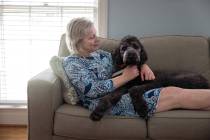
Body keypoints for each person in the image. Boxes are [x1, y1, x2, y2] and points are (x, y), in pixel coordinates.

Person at [63, 17, 210, 118]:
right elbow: (92, 91)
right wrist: (125, 77)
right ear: (77, 41)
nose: (97, 39)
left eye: (96, 35)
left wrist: (143, 65)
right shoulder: (72, 63)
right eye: (91, 37)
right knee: (174, 93)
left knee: (179, 94)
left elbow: (123, 60)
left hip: (121, 92)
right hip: (105, 102)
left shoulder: (100, 54)